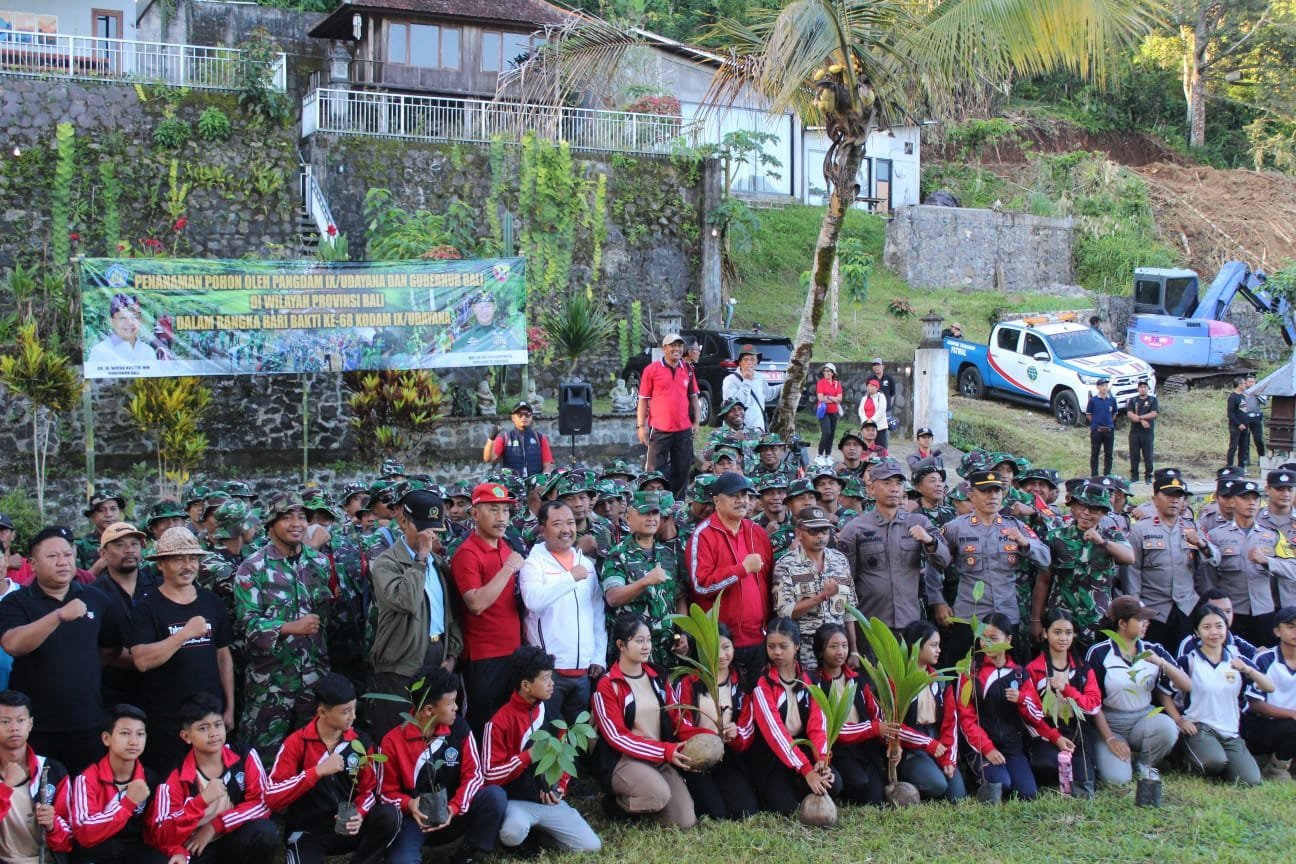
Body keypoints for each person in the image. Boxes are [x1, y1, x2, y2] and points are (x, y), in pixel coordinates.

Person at [0, 527, 128, 775]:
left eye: (68, 555)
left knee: (85, 792)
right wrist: (58, 616)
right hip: (36, 727)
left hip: (88, 723)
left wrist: (80, 665)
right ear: (33, 564)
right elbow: (13, 644)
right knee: (41, 793)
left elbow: (111, 648)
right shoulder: (17, 602)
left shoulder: (97, 598)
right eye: (52, 556)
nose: (62, 562)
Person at [234, 493, 334, 761]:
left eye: (302, 517)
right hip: (270, 684)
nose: (296, 523)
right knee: (262, 758)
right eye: (287, 518)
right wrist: (290, 627)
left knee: (313, 756)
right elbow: (248, 623)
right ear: (271, 524)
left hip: (313, 678)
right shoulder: (252, 567)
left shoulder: (319, 562)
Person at [131, 527, 234, 774]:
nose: (187, 566)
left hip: (210, 717)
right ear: (161, 565)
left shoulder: (212, 602)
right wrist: (184, 634)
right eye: (178, 559)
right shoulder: (147, 608)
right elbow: (142, 660)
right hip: (167, 720)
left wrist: (229, 707)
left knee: (212, 780)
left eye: (193, 559)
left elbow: (223, 657)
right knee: (171, 781)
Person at [265, 674, 400, 864]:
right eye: (346, 711)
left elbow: (369, 790)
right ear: (322, 712)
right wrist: (316, 772)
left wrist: (360, 813)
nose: (353, 716)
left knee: (390, 815)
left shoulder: (361, 742)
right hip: (309, 831)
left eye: (354, 708)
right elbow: (272, 797)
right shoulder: (297, 743)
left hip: (349, 827)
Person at [482, 646, 601, 854]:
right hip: (516, 802)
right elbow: (489, 775)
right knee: (512, 832)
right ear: (526, 685)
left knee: (591, 846)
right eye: (545, 678)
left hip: (548, 804)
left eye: (551, 677)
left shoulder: (553, 713)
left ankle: (543, 835)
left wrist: (560, 787)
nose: (552, 683)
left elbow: (564, 757)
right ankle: (523, 836)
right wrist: (528, 755)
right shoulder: (498, 722)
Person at [369, 487, 462, 742]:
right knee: (398, 734)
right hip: (401, 662)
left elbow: (451, 615)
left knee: (432, 734)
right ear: (403, 522)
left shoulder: (438, 564)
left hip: (436, 655)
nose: (429, 536)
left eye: (434, 530)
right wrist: (420, 559)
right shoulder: (387, 562)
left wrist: (451, 654)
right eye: (423, 529)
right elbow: (406, 601)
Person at [145, 692, 278, 864]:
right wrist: (201, 801)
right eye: (203, 728)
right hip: (193, 847)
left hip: (232, 836)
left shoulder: (243, 755)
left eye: (217, 724)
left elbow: (262, 804)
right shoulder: (175, 777)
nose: (213, 733)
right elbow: (161, 835)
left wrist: (214, 827)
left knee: (265, 832)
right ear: (186, 737)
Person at [590, 614, 696, 828]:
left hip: (659, 757)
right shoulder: (607, 685)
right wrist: (665, 751)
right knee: (658, 795)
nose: (647, 646)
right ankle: (616, 805)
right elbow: (617, 737)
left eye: (648, 640)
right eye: (639, 641)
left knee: (684, 820)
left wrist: (697, 741)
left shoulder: (658, 676)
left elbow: (677, 717)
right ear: (621, 645)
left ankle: (645, 801)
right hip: (623, 760)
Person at [934, 470, 1050, 665]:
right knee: (965, 672)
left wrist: (1026, 544)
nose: (992, 496)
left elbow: (1045, 559)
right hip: (970, 617)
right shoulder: (955, 528)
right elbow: (934, 563)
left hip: (1007, 615)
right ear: (972, 496)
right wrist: (938, 601)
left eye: (997, 491)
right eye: (986, 491)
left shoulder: (1015, 526)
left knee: (1006, 672)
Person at [957, 614, 1072, 801]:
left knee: (1028, 793)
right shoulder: (971, 672)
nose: (987, 644)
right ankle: (977, 774)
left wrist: (1023, 700)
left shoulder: (1019, 674)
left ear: (1008, 639)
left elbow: (1035, 716)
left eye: (994, 638)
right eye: (983, 638)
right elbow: (965, 718)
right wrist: (987, 748)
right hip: (981, 747)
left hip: (1012, 746)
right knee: (1002, 784)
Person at [1085, 596, 1192, 785]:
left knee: (1167, 727)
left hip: (1143, 718)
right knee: (1117, 779)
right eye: (1140, 619)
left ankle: (1145, 763)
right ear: (1122, 623)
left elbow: (1187, 686)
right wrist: (1110, 739)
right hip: (1110, 721)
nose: (1146, 624)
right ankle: (1115, 756)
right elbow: (1093, 703)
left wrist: (1162, 663)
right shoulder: (1099, 653)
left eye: (1146, 619)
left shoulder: (1154, 649)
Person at [1162, 604, 1272, 786]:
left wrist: (1248, 670)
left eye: (1219, 626)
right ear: (1197, 632)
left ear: (1226, 628)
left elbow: (1269, 687)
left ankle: (1223, 763)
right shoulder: (1188, 661)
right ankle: (1184, 758)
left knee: (1250, 781)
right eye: (1207, 627)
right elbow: (1164, 692)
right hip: (1199, 728)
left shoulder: (1238, 661)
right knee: (1213, 762)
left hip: (1230, 732)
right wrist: (1179, 720)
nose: (1214, 632)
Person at [519, 500, 607, 726]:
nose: (566, 530)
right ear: (542, 529)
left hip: (583, 670)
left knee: (577, 735)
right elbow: (533, 601)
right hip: (549, 671)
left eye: (570, 523)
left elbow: (597, 612)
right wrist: (570, 578)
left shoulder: (585, 564)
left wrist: (598, 655)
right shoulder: (534, 564)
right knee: (547, 734)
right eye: (557, 524)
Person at [838, 458, 949, 633]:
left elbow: (944, 560)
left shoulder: (919, 522)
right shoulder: (854, 529)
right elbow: (845, 581)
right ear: (871, 489)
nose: (895, 488)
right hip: (870, 623)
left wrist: (930, 541)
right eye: (887, 482)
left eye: (898, 483)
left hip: (910, 621)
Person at [450, 482, 525, 733]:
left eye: (505, 510)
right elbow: (476, 604)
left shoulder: (506, 547)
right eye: (493, 510)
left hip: (512, 652)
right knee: (482, 725)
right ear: (474, 513)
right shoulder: (467, 553)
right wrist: (509, 568)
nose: (501, 517)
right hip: (482, 657)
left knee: (508, 724)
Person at [686, 472, 774, 684]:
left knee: (756, 698)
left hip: (759, 639)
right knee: (723, 700)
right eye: (734, 495)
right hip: (720, 642)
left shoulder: (757, 532)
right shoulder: (703, 534)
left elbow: (770, 582)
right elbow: (701, 586)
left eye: (745, 495)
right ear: (716, 500)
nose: (741, 500)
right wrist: (742, 569)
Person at [747, 617, 841, 814]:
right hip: (772, 754)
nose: (777, 652)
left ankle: (800, 781)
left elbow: (818, 724)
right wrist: (807, 770)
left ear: (797, 646)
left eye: (783, 646)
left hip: (802, 747)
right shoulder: (762, 685)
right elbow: (776, 734)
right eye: (771, 646)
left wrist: (821, 760)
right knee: (788, 808)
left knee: (834, 784)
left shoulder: (810, 680)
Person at [671, 622, 758, 820]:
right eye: (713, 649)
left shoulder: (741, 684)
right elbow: (679, 725)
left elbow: (747, 728)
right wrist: (711, 738)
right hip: (695, 758)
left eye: (726, 647)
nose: (721, 655)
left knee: (745, 811)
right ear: (702, 652)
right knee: (715, 813)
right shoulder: (688, 682)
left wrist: (736, 733)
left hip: (727, 755)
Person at [1033, 485, 1134, 650]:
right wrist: (1036, 620)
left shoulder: (1112, 536)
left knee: (1095, 662)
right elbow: (1043, 580)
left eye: (1094, 509)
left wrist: (1102, 542)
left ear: (1103, 512)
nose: (1086, 513)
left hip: (1098, 620)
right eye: (1081, 506)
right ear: (1072, 507)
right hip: (1061, 619)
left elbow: (1129, 558)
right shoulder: (1056, 537)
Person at [63, 703, 165, 864]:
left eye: (140, 734)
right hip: (94, 854)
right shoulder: (87, 778)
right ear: (106, 739)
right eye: (125, 733)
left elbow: (157, 830)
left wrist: (176, 850)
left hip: (134, 852)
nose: (134, 741)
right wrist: (128, 803)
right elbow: (84, 834)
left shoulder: (150, 779)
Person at [1201, 478, 1296, 648]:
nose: (1251, 503)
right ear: (1232, 502)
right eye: (1245, 498)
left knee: (1265, 655)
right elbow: (1208, 577)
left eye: (1255, 499)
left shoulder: (1272, 535)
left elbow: (1292, 569)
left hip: (1264, 611)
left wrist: (1267, 561)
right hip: (1232, 612)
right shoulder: (1216, 536)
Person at [601, 491, 686, 669]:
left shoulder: (668, 554)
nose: (651, 518)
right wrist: (645, 581)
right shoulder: (618, 555)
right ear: (629, 517)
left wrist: (682, 634)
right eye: (644, 513)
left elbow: (679, 598)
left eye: (655, 513)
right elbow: (613, 597)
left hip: (668, 652)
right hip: (633, 654)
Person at [1126, 468, 1209, 648]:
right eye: (1169, 495)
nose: (1174, 500)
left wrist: (1202, 545)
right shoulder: (1141, 529)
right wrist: (1135, 607)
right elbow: (1132, 570)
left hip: (1186, 607)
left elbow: (1214, 559)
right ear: (1155, 499)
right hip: (1153, 608)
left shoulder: (1192, 527)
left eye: (1179, 496)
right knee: (1151, 656)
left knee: (1184, 656)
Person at [1024, 610, 1102, 797]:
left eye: (1068, 633)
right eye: (1057, 632)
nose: (1063, 638)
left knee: (1084, 783)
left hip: (1077, 729)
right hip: (1047, 730)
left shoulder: (1083, 668)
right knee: (1045, 765)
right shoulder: (1033, 669)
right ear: (1045, 633)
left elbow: (1093, 705)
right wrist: (1055, 737)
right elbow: (1029, 712)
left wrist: (1067, 689)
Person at [773, 507, 857, 674]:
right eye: (813, 531)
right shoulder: (785, 565)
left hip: (837, 648)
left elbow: (849, 610)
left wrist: (853, 650)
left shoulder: (840, 560)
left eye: (824, 530)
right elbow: (784, 612)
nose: (820, 536)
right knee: (809, 688)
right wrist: (822, 596)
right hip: (805, 648)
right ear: (799, 533)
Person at [812, 623, 886, 806]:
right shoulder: (817, 684)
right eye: (833, 646)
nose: (840, 652)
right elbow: (833, 731)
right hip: (840, 750)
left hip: (865, 745)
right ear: (820, 652)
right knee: (858, 783)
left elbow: (874, 711)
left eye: (844, 646)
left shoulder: (857, 679)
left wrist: (887, 735)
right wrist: (874, 728)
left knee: (876, 797)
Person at [893, 621, 965, 801]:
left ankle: (933, 773)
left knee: (957, 795)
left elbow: (950, 722)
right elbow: (894, 725)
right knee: (938, 786)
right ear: (916, 646)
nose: (939, 650)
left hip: (938, 742)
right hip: (911, 748)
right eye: (933, 645)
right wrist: (927, 743)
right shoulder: (898, 680)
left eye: (939, 645)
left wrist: (948, 759)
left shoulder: (940, 679)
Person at [0, 689, 73, 861]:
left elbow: (69, 841)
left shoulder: (53, 770)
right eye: (5, 721)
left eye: (20, 720)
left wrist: (52, 825)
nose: (14, 727)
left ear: (30, 724)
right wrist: (6, 788)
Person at [638, 333, 701, 498]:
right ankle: (654, 504)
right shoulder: (651, 370)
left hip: (683, 429)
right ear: (664, 348)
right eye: (673, 345)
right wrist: (641, 426)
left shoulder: (687, 370)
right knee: (654, 473)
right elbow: (643, 400)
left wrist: (696, 423)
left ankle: (677, 506)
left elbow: (694, 398)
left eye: (679, 346)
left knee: (682, 471)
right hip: (660, 429)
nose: (677, 349)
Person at [1243, 606, 1296, 778]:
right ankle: (1276, 768)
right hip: (1262, 724)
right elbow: (1255, 705)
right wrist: (1292, 714)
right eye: (1290, 627)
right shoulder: (1264, 659)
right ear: (1277, 631)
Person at [86, 293, 166, 371]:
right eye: (122, 318)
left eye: (134, 317)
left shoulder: (148, 351)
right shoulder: (99, 351)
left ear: (140, 321)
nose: (129, 322)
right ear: (112, 322)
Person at [483, 401, 554, 478]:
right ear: (513, 417)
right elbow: (488, 458)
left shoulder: (540, 438)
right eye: (520, 414)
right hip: (511, 483)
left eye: (527, 414)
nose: (524, 417)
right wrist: (491, 439)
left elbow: (548, 465)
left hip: (534, 483)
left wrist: (543, 480)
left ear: (531, 417)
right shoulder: (505, 438)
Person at [722, 344, 769, 432]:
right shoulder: (730, 380)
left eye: (752, 359)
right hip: (738, 430)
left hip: (758, 429)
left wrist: (787, 384)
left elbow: (768, 394)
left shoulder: (759, 377)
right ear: (740, 362)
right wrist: (747, 380)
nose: (749, 362)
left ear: (757, 361)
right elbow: (736, 405)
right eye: (746, 359)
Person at [1085, 379, 1118, 478]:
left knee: (1109, 454)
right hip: (1097, 431)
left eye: (1106, 385)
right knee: (1095, 453)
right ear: (1098, 387)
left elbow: (1114, 414)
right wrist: (1096, 424)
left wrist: (1108, 423)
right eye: (1102, 385)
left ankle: (1107, 474)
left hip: (1109, 431)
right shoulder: (1093, 400)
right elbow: (1089, 414)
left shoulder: (1112, 400)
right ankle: (1094, 475)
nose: (1104, 388)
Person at [815, 363, 844, 458]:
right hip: (823, 412)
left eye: (828, 371)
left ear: (833, 373)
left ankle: (828, 455)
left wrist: (828, 397)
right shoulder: (821, 383)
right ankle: (820, 454)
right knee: (826, 432)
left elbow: (839, 399)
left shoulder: (837, 384)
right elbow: (820, 398)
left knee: (831, 434)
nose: (826, 373)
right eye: (824, 371)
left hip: (833, 412)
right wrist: (834, 399)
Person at [1242, 374, 1267, 467]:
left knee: (1258, 439)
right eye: (1250, 382)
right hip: (1245, 417)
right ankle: (1246, 460)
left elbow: (1264, 402)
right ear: (1246, 383)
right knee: (1245, 440)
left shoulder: (1259, 391)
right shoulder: (1243, 392)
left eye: (1253, 382)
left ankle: (1261, 458)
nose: (1252, 384)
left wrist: (1257, 394)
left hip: (1256, 418)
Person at [1227, 376, 1251, 468]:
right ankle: (1229, 466)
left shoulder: (1243, 396)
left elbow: (1243, 411)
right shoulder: (1233, 397)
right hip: (1235, 426)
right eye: (1244, 383)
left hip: (1245, 425)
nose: (1245, 385)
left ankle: (1241, 467)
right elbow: (1230, 413)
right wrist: (1238, 424)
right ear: (1239, 385)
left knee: (1243, 447)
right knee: (1233, 446)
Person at [856, 380, 888, 447]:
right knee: (866, 445)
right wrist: (865, 420)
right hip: (866, 425)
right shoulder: (864, 398)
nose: (869, 388)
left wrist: (872, 420)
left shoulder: (881, 397)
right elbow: (861, 410)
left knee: (880, 445)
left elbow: (881, 410)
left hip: (879, 426)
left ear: (876, 388)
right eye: (868, 386)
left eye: (871, 386)